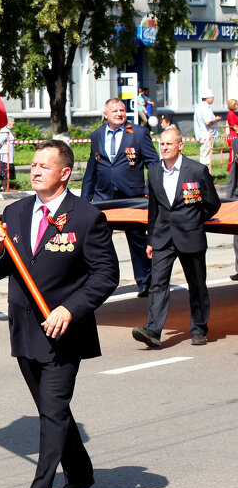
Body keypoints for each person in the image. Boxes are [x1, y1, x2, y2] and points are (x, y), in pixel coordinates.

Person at [0, 140, 119, 488]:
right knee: (51, 411)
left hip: (63, 331)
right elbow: (0, 268)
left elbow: (106, 274)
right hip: (25, 328)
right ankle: (80, 472)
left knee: (53, 411)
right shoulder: (16, 210)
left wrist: (70, 309)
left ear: (65, 173)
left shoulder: (86, 217)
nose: (36, 170)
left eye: (46, 165)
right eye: (34, 164)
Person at [132, 128, 221, 348]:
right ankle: (153, 329)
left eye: (169, 144)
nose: (164, 148)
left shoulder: (197, 171)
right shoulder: (154, 172)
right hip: (163, 237)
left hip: (190, 236)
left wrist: (195, 220)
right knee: (157, 284)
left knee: (197, 284)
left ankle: (199, 328)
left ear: (180, 145)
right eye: (162, 144)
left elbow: (213, 203)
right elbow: (153, 210)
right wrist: (151, 239)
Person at [80, 97, 160, 295]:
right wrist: (84, 200)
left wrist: (151, 190)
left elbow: (153, 164)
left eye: (122, 110)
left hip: (132, 196)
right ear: (105, 114)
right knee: (98, 240)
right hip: (104, 196)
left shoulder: (139, 133)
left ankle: (145, 282)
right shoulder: (96, 135)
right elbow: (92, 168)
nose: (119, 114)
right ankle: (100, 282)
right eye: (114, 111)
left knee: (137, 240)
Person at [193, 89, 221, 171]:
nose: (213, 99)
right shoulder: (205, 108)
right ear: (207, 98)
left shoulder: (199, 106)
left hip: (201, 134)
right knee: (206, 157)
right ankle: (205, 175)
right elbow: (208, 122)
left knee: (204, 155)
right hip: (206, 134)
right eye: (212, 97)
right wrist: (216, 119)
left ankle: (203, 175)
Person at [0, 116, 16, 191]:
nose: (13, 123)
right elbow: (0, 141)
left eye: (13, 121)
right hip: (4, 153)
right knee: (4, 169)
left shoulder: (9, 130)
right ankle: (3, 186)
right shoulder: (4, 130)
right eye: (11, 121)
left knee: (8, 169)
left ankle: (6, 186)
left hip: (9, 153)